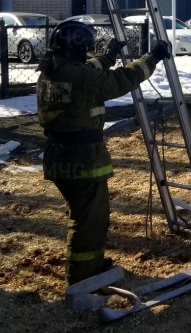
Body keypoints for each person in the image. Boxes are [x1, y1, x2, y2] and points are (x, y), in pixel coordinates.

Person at [37, 21, 171, 285]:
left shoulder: (53, 69)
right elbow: (123, 80)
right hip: (83, 159)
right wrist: (152, 57)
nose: (87, 53)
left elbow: (88, 71)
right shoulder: (82, 77)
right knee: (90, 220)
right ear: (77, 48)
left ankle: (88, 264)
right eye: (85, 48)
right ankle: (83, 275)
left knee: (81, 213)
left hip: (58, 156)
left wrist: (108, 56)